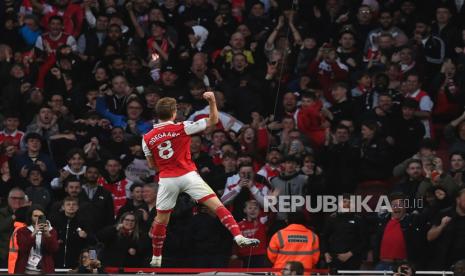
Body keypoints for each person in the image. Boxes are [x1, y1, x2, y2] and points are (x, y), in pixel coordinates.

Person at [142, 91, 259, 267]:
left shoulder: (147, 138)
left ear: (157, 114)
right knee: (218, 207)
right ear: (173, 113)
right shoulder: (182, 127)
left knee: (161, 220)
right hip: (188, 175)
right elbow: (212, 120)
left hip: (167, 179)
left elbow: (152, 165)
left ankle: (156, 257)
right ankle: (239, 236)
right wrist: (212, 101)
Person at [14, 205, 59, 274]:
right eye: (35, 216)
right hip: (25, 270)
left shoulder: (51, 231)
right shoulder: (22, 231)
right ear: (30, 217)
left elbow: (54, 249)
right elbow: (23, 248)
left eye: (40, 216)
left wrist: (47, 235)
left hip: (45, 270)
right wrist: (34, 233)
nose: (38, 218)